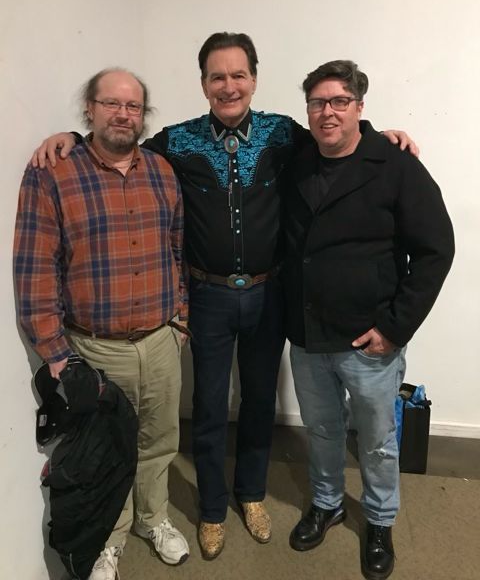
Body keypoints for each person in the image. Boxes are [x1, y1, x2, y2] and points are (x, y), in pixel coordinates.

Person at [30, 33, 417, 560]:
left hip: (269, 296)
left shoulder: (284, 134)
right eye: (218, 76)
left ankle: (251, 494)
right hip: (207, 298)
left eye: (238, 75)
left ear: (254, 80)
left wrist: (381, 137)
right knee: (210, 405)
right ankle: (212, 508)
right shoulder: (178, 141)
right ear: (204, 84)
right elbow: (119, 147)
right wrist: (73, 137)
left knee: (258, 402)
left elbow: (338, 139)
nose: (228, 86)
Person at [14, 68, 190, 580]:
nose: (122, 114)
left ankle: (153, 519)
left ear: (144, 115)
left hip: (161, 340)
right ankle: (109, 539)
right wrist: (55, 352)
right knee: (104, 450)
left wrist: (180, 319)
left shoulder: (162, 171)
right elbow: (35, 266)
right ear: (89, 108)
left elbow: (177, 249)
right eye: (111, 103)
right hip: (95, 349)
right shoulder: (53, 173)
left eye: (132, 106)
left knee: (159, 441)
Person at [282, 60, 454, 580]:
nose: (327, 112)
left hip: (369, 340)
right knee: (322, 429)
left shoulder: (396, 165)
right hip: (307, 333)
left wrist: (395, 328)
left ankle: (379, 520)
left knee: (377, 442)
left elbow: (436, 250)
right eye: (317, 102)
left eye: (339, 101)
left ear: (359, 106)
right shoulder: (295, 159)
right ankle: (328, 503)